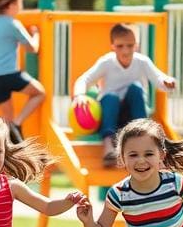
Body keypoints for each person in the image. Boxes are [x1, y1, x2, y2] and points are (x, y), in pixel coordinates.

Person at [72, 23, 177, 162]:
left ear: (136, 45)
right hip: (110, 116)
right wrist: (79, 95)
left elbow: (158, 78)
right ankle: (108, 146)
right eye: (120, 46)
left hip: (132, 116)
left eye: (130, 45)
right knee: (110, 97)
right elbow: (84, 79)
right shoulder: (107, 62)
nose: (125, 51)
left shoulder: (142, 61)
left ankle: (144, 137)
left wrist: (167, 81)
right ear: (112, 46)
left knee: (136, 88)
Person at [0, 0, 45, 143]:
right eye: (20, 3)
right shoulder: (12, 23)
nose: (21, 7)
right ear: (10, 5)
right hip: (9, 74)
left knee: (6, 121)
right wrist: (36, 34)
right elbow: (32, 48)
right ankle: (17, 123)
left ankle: (12, 143)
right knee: (39, 93)